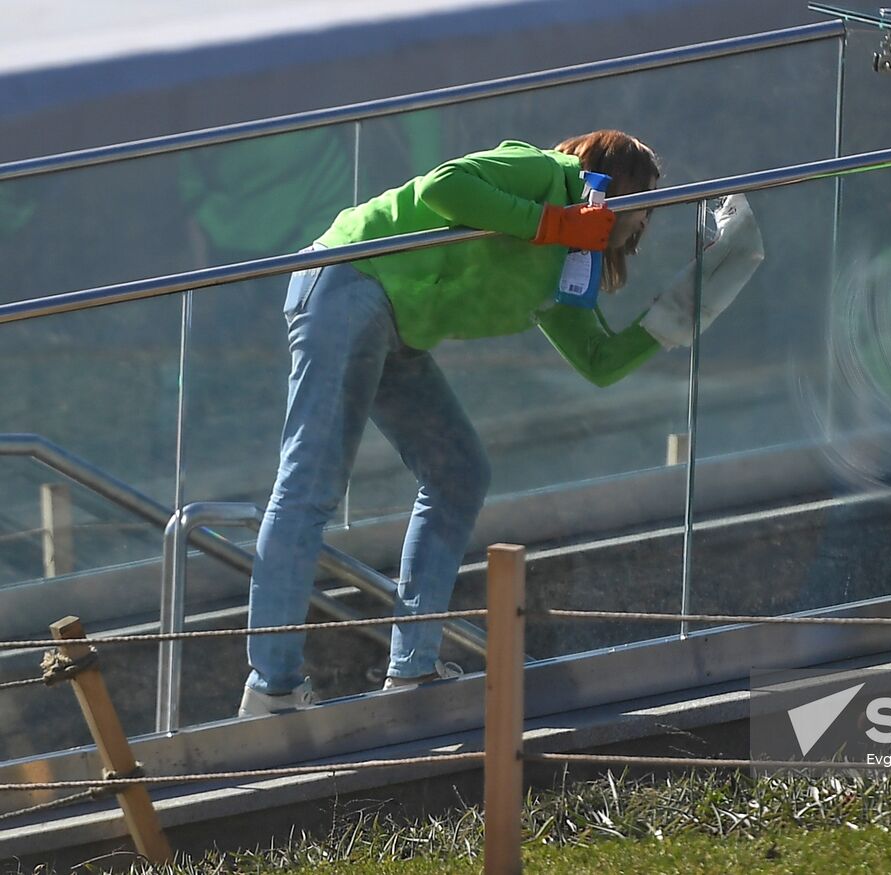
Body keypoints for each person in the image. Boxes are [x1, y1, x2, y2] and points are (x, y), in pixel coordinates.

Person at [239, 130, 670, 716]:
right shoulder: (540, 171)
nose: (643, 222)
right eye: (640, 203)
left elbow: (597, 361)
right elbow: (445, 187)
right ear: (608, 180)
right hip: (352, 277)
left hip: (396, 325)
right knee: (308, 485)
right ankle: (272, 689)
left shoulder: (571, 263)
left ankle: (412, 670)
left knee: (460, 473)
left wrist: (681, 315)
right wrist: (557, 223)